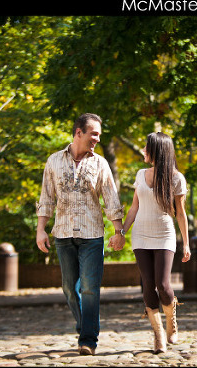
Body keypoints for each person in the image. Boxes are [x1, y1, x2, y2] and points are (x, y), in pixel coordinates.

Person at [36, 113, 123, 358]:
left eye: (99, 135)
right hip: (62, 234)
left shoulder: (100, 164)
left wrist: (118, 232)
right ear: (78, 132)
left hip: (92, 235)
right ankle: (86, 324)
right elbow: (46, 199)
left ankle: (88, 339)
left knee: (90, 289)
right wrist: (41, 229)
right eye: (93, 133)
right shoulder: (53, 161)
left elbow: (111, 199)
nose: (97, 138)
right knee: (68, 288)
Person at [116, 133, 190, 354]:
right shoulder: (140, 175)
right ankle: (158, 335)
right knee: (148, 285)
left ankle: (171, 319)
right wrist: (121, 231)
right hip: (140, 236)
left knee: (163, 285)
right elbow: (134, 208)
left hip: (165, 235)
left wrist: (186, 243)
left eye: (146, 147)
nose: (143, 151)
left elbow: (181, 214)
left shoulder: (177, 178)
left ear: (157, 150)